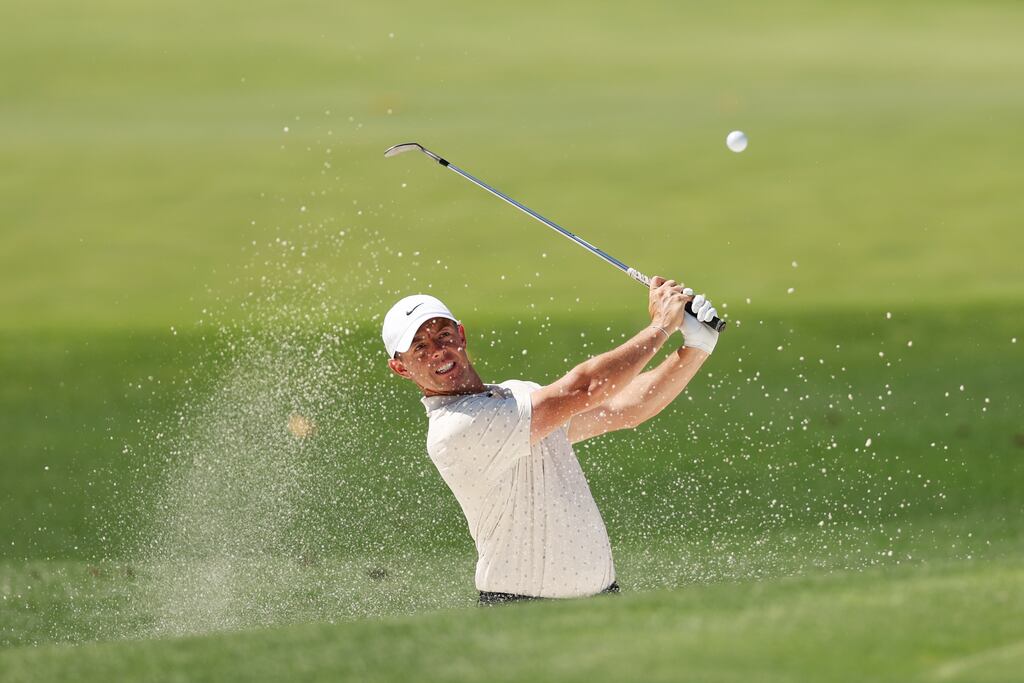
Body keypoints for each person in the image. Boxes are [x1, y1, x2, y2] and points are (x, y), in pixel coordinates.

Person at [381, 278, 719, 604]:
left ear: (462, 335)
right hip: (520, 613)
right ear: (400, 368)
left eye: (443, 334)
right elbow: (584, 388)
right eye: (420, 347)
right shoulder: (455, 429)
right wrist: (661, 326)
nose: (438, 351)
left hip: (604, 603)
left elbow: (624, 408)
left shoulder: (516, 397)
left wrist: (697, 347)